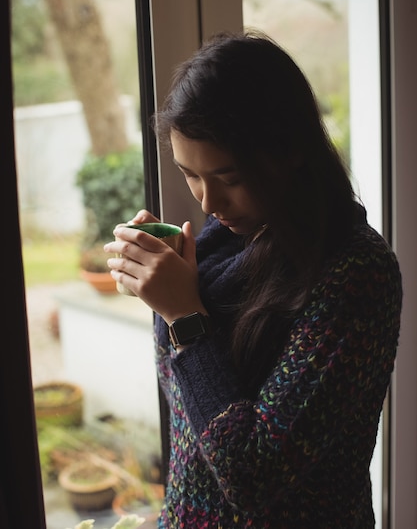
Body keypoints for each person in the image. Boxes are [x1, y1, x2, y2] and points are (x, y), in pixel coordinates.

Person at [104, 30, 402, 528]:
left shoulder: (356, 275)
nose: (207, 203)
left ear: (291, 151)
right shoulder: (228, 240)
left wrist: (184, 314)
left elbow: (253, 474)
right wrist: (163, 282)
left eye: (230, 178)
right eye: (190, 174)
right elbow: (192, 423)